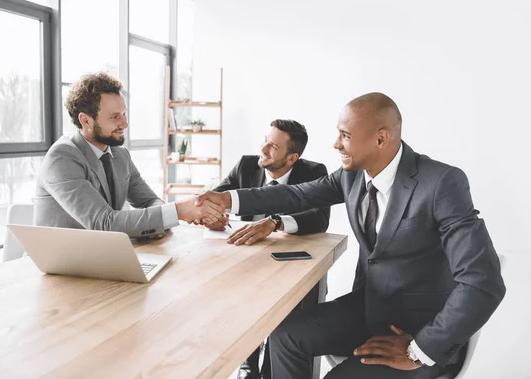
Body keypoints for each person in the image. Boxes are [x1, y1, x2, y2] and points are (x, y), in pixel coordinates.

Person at [196, 92, 506, 379]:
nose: (335, 143)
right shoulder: (352, 176)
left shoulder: (440, 183)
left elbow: (483, 281)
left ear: (380, 139)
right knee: (284, 336)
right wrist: (228, 200)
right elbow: (297, 196)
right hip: (368, 309)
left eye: (345, 135)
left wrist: (419, 349)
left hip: (416, 330)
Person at [34, 72, 225, 236]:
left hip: (99, 259)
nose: (125, 124)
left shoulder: (120, 155)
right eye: (114, 116)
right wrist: (179, 211)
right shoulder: (62, 159)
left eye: (124, 114)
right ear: (85, 120)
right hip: (59, 268)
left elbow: (150, 201)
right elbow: (104, 223)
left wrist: (163, 222)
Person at [211, 119, 330, 379]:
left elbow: (320, 218)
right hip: (244, 264)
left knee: (286, 323)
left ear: (292, 158)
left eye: (273, 146)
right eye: (265, 139)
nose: (263, 149)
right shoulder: (246, 164)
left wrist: (276, 223)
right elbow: (217, 195)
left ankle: (274, 369)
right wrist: (214, 212)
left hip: (288, 268)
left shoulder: (314, 172)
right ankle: (247, 365)